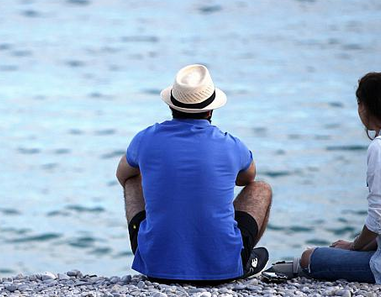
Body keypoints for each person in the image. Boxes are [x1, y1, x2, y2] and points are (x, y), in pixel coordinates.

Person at [266, 72, 381, 284]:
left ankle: (292, 269)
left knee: (309, 257)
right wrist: (358, 247)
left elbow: (380, 218)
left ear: (364, 106)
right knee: (344, 252)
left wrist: (354, 246)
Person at [116, 64, 272, 284]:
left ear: (172, 105)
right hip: (223, 270)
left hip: (155, 267)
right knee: (261, 189)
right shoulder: (231, 145)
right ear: (210, 110)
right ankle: (241, 260)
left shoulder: (145, 138)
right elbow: (248, 180)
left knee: (133, 178)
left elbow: (122, 175)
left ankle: (158, 249)